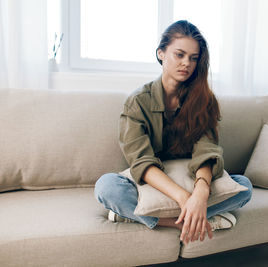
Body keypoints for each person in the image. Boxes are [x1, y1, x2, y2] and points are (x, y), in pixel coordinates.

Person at [94, 20, 252, 245]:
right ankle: (193, 221)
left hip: (191, 178)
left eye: (193, 58)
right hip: (152, 183)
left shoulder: (204, 100)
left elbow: (207, 152)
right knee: (107, 187)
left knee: (244, 187)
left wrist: (200, 193)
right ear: (161, 53)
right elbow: (141, 161)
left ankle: (139, 217)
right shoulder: (137, 102)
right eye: (179, 55)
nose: (186, 63)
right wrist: (185, 198)